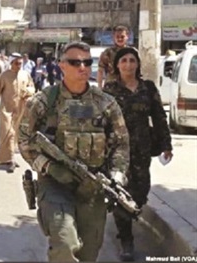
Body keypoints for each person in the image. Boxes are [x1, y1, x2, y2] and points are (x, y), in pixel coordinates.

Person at [17, 41, 130, 262]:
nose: (82, 67)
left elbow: (121, 144)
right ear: (62, 66)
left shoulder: (106, 104)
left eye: (87, 62)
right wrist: (49, 166)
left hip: (93, 185)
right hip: (55, 184)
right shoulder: (44, 102)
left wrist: (116, 176)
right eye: (75, 62)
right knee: (65, 243)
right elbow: (24, 139)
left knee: (89, 252)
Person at [102, 47, 173, 261]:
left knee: (140, 192)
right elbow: (102, 121)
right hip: (117, 150)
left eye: (132, 60)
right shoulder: (110, 89)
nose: (128, 65)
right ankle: (126, 239)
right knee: (120, 191)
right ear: (117, 65)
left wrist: (166, 144)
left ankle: (131, 216)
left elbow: (159, 117)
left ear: (138, 64)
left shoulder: (147, 88)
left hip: (142, 148)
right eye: (123, 60)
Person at [0, 53, 35, 173]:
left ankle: (7, 158)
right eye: (17, 63)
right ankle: (11, 160)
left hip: (21, 109)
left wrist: (28, 91)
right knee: (8, 133)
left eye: (20, 63)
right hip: (6, 110)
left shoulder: (25, 74)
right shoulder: (5, 76)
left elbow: (32, 87)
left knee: (16, 134)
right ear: (11, 63)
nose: (19, 65)